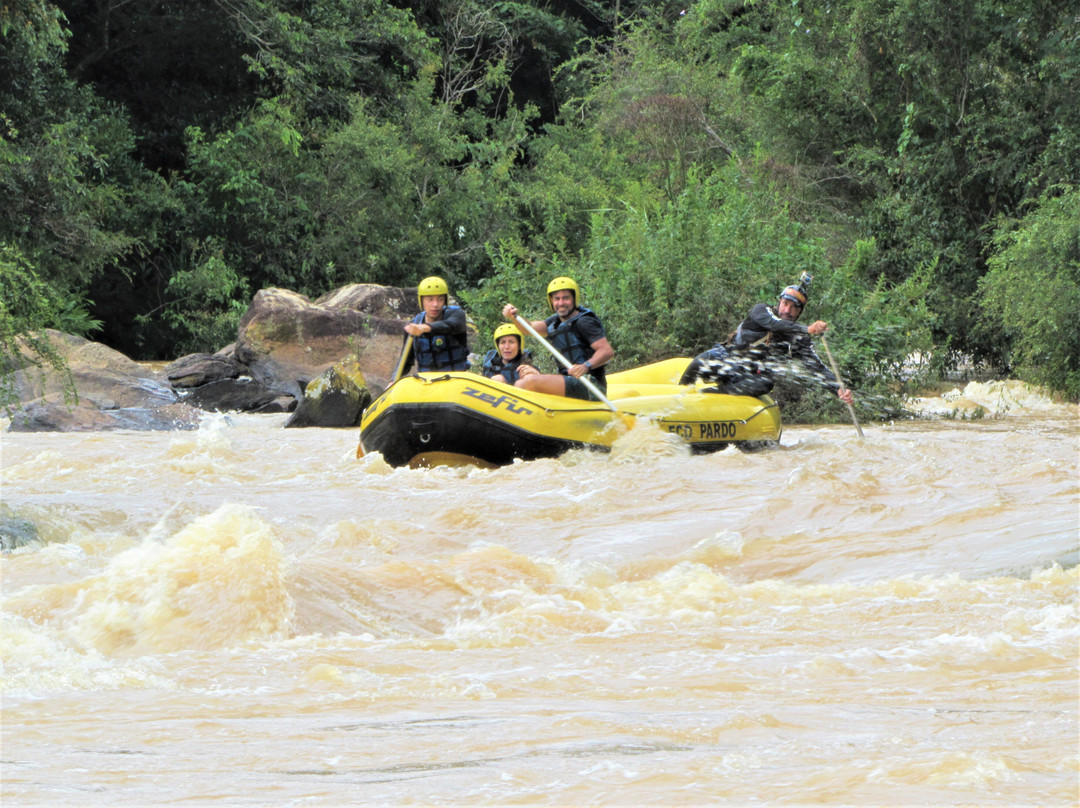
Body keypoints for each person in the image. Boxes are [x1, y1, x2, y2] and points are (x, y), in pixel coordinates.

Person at [680, 273, 854, 405]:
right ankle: (678, 394)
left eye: (794, 308)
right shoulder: (761, 311)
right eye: (785, 304)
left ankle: (712, 396)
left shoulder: (797, 338)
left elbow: (815, 367)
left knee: (766, 382)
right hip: (725, 359)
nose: (787, 310)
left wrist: (838, 389)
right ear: (779, 302)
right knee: (702, 360)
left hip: (745, 376)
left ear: (800, 312)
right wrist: (807, 329)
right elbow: (774, 324)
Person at [501, 277, 614, 400]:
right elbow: (529, 328)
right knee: (520, 382)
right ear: (551, 301)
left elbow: (606, 351)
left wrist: (585, 365)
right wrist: (514, 317)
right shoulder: (555, 322)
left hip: (590, 385)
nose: (561, 303)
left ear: (574, 299)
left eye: (566, 298)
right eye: (557, 298)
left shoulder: (584, 321)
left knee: (528, 382)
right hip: (571, 381)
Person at [400, 276, 470, 373]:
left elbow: (452, 325)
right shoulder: (413, 326)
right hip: (428, 383)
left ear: (445, 301)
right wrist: (393, 381)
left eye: (440, 299)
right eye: (430, 299)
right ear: (422, 301)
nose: (435, 304)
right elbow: (405, 362)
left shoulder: (457, 315)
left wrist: (424, 328)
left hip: (455, 381)